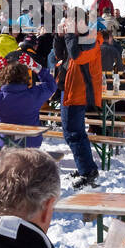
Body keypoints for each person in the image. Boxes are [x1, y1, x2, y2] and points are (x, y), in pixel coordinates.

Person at [53, 21, 103, 188]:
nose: (65, 28)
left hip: (78, 93)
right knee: (74, 133)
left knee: (73, 134)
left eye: (68, 25)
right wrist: (59, 37)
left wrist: (68, 36)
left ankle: (88, 172)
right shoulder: (76, 39)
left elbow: (77, 56)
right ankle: (85, 168)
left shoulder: (91, 40)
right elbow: (60, 56)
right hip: (68, 90)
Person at [0, 53, 58, 147]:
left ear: (3, 77)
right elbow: (51, 84)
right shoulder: (34, 95)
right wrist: (36, 67)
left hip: (5, 144)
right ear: (25, 76)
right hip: (31, 144)